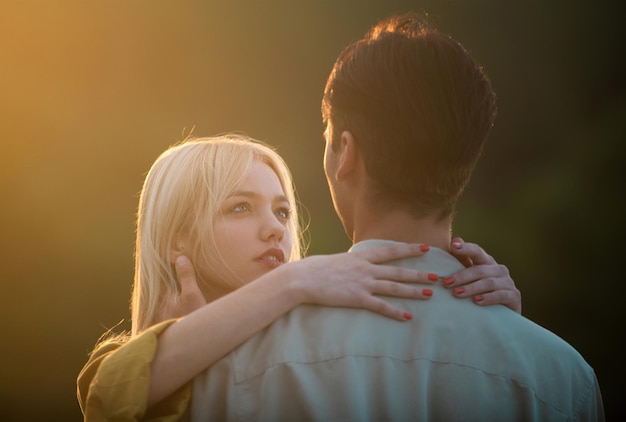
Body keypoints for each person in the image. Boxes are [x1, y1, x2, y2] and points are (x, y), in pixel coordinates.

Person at [186, 12, 604, 421]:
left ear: (345, 153)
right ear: (464, 162)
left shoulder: (235, 365)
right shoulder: (567, 379)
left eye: (328, 140)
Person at [77, 135, 521, 421]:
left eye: (283, 211)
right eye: (239, 207)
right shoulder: (118, 366)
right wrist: (294, 281)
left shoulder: (312, 349)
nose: (276, 228)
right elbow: (110, 396)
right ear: (179, 240)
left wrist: (499, 330)